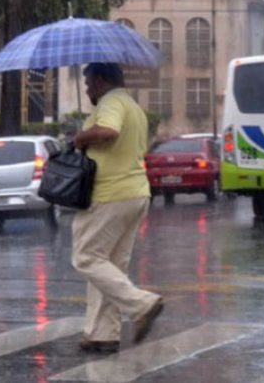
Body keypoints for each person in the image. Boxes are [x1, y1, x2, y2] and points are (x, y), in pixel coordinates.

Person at [70, 62, 163, 353]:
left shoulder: (111, 102)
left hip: (110, 194)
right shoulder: (134, 107)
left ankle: (142, 305)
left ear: (99, 81)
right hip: (135, 193)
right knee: (110, 266)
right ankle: (102, 333)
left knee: (86, 257)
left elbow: (108, 132)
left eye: (87, 84)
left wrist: (80, 137)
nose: (86, 91)